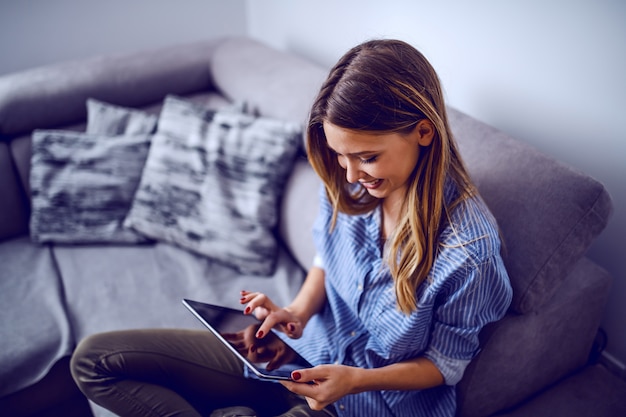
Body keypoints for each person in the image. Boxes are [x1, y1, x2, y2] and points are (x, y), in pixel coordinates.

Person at [71, 39, 512, 417]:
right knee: (95, 361)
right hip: (296, 358)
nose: (351, 174)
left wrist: (356, 381)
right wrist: (295, 314)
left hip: (370, 403)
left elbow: (445, 364)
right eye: (341, 155)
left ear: (423, 132)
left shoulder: (469, 252)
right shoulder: (349, 185)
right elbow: (327, 256)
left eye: (367, 156)